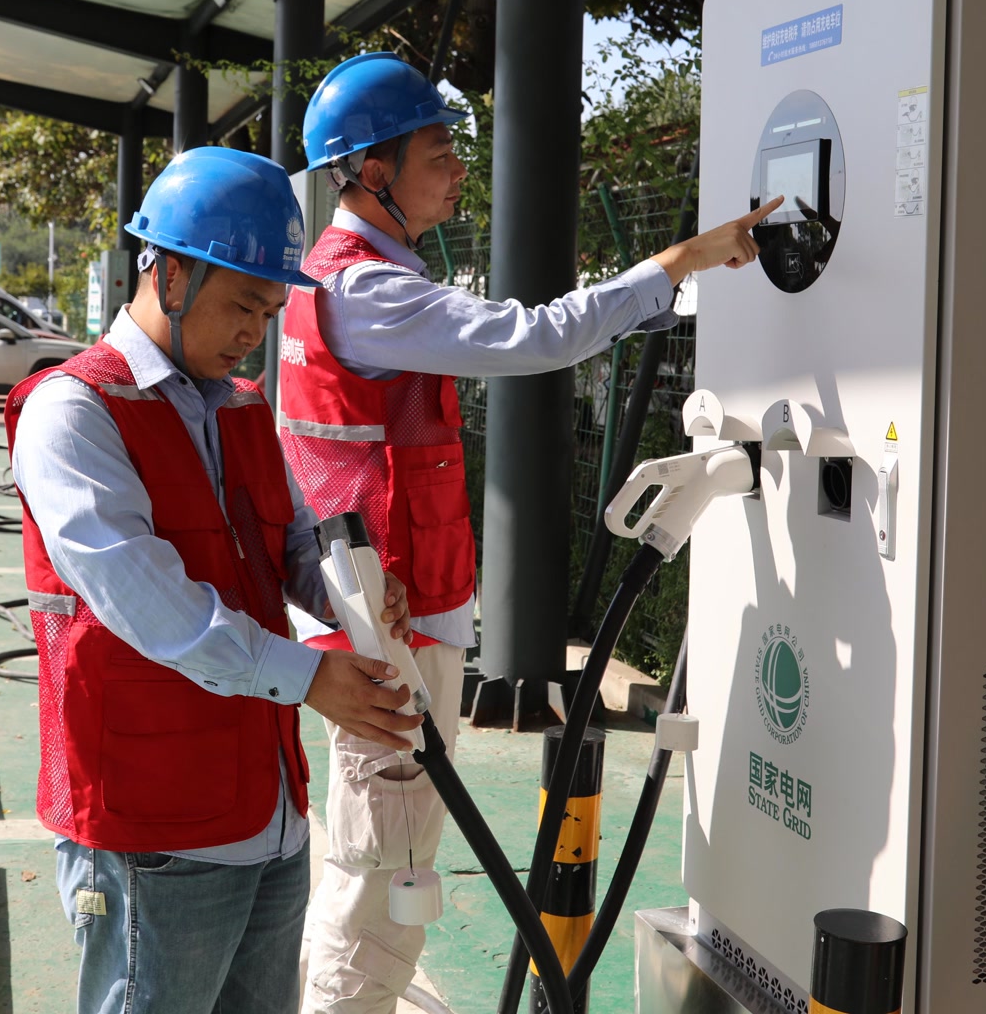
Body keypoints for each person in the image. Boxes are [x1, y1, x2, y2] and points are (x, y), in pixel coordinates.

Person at [282, 53, 783, 1013]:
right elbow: (534, 336)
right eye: (438, 153)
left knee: (373, 855)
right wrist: (678, 263)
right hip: (392, 623)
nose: (458, 171)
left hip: (376, 607)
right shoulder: (368, 294)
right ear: (374, 172)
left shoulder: (335, 280)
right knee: (385, 871)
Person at [5, 146, 424, 1014]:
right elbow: (146, 599)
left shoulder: (238, 407)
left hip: (266, 813)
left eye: (269, 311)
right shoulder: (73, 413)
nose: (253, 333)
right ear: (170, 275)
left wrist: (350, 591)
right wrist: (308, 675)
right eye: (241, 305)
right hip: (152, 831)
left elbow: (291, 542)